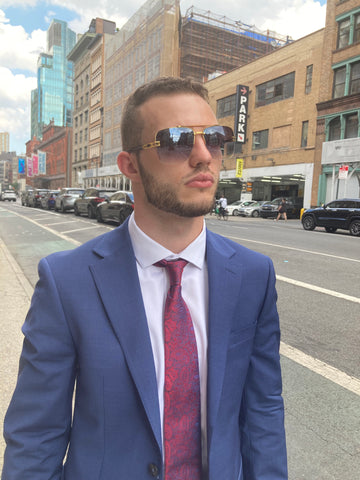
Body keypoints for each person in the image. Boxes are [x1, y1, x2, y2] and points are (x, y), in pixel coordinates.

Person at [2, 77, 287, 480]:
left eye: (215, 139)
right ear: (130, 165)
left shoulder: (254, 275)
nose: (203, 155)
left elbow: (263, 414)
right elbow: (36, 436)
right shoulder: (67, 281)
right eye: (176, 141)